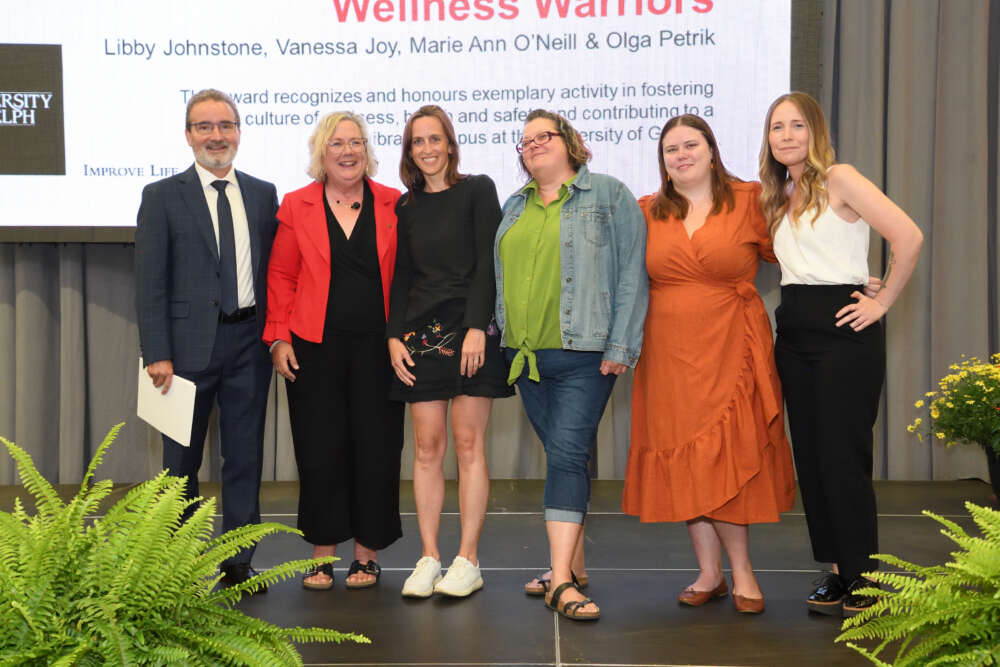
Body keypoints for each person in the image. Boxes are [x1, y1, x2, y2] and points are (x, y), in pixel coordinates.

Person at [622, 114, 796, 615]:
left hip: (732, 346)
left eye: (690, 145)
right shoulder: (646, 211)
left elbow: (797, 255)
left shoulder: (749, 200)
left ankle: (742, 572)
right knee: (687, 455)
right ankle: (708, 573)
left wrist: (856, 280)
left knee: (728, 454)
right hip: (668, 352)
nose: (681, 155)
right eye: (671, 149)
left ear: (712, 149)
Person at [759, 92, 923, 616]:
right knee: (810, 456)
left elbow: (909, 235)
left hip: (843, 332)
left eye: (796, 126)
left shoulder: (841, 177)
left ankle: (866, 578)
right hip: (795, 330)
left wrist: (882, 302)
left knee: (843, 457)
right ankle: (835, 571)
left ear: (816, 131)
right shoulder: (777, 192)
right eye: (776, 127)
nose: (786, 135)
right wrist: (858, 275)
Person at [496, 109, 648, 621]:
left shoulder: (608, 195)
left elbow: (632, 273)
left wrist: (620, 346)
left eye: (544, 136)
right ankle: (573, 565)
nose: (533, 145)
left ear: (570, 143)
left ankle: (561, 581)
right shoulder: (513, 205)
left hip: (585, 353)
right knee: (566, 455)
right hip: (526, 358)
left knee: (564, 455)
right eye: (525, 142)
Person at [135, 88, 278, 591]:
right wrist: (158, 352)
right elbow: (150, 281)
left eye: (225, 125)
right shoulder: (161, 196)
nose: (216, 136)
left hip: (249, 347)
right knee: (180, 462)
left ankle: (238, 562)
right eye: (204, 126)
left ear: (238, 132)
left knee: (244, 457)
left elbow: (272, 273)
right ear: (188, 135)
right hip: (183, 353)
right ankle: (180, 564)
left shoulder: (263, 193)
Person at [264, 111, 404, 591]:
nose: (348, 151)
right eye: (337, 143)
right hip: (312, 349)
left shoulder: (393, 203)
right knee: (320, 451)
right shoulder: (295, 205)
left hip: (378, 351)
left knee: (377, 450)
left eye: (357, 143)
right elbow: (281, 276)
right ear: (320, 153)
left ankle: (366, 555)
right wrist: (279, 336)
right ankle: (323, 553)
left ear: (368, 151)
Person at [387, 105, 514, 598]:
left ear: (450, 144)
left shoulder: (478, 190)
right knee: (425, 449)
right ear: (409, 151)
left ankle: (468, 559)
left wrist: (480, 327)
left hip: (471, 333)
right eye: (417, 141)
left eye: (434, 139)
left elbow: (489, 263)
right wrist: (393, 335)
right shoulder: (406, 206)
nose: (427, 149)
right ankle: (429, 558)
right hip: (420, 338)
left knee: (467, 445)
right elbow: (401, 277)